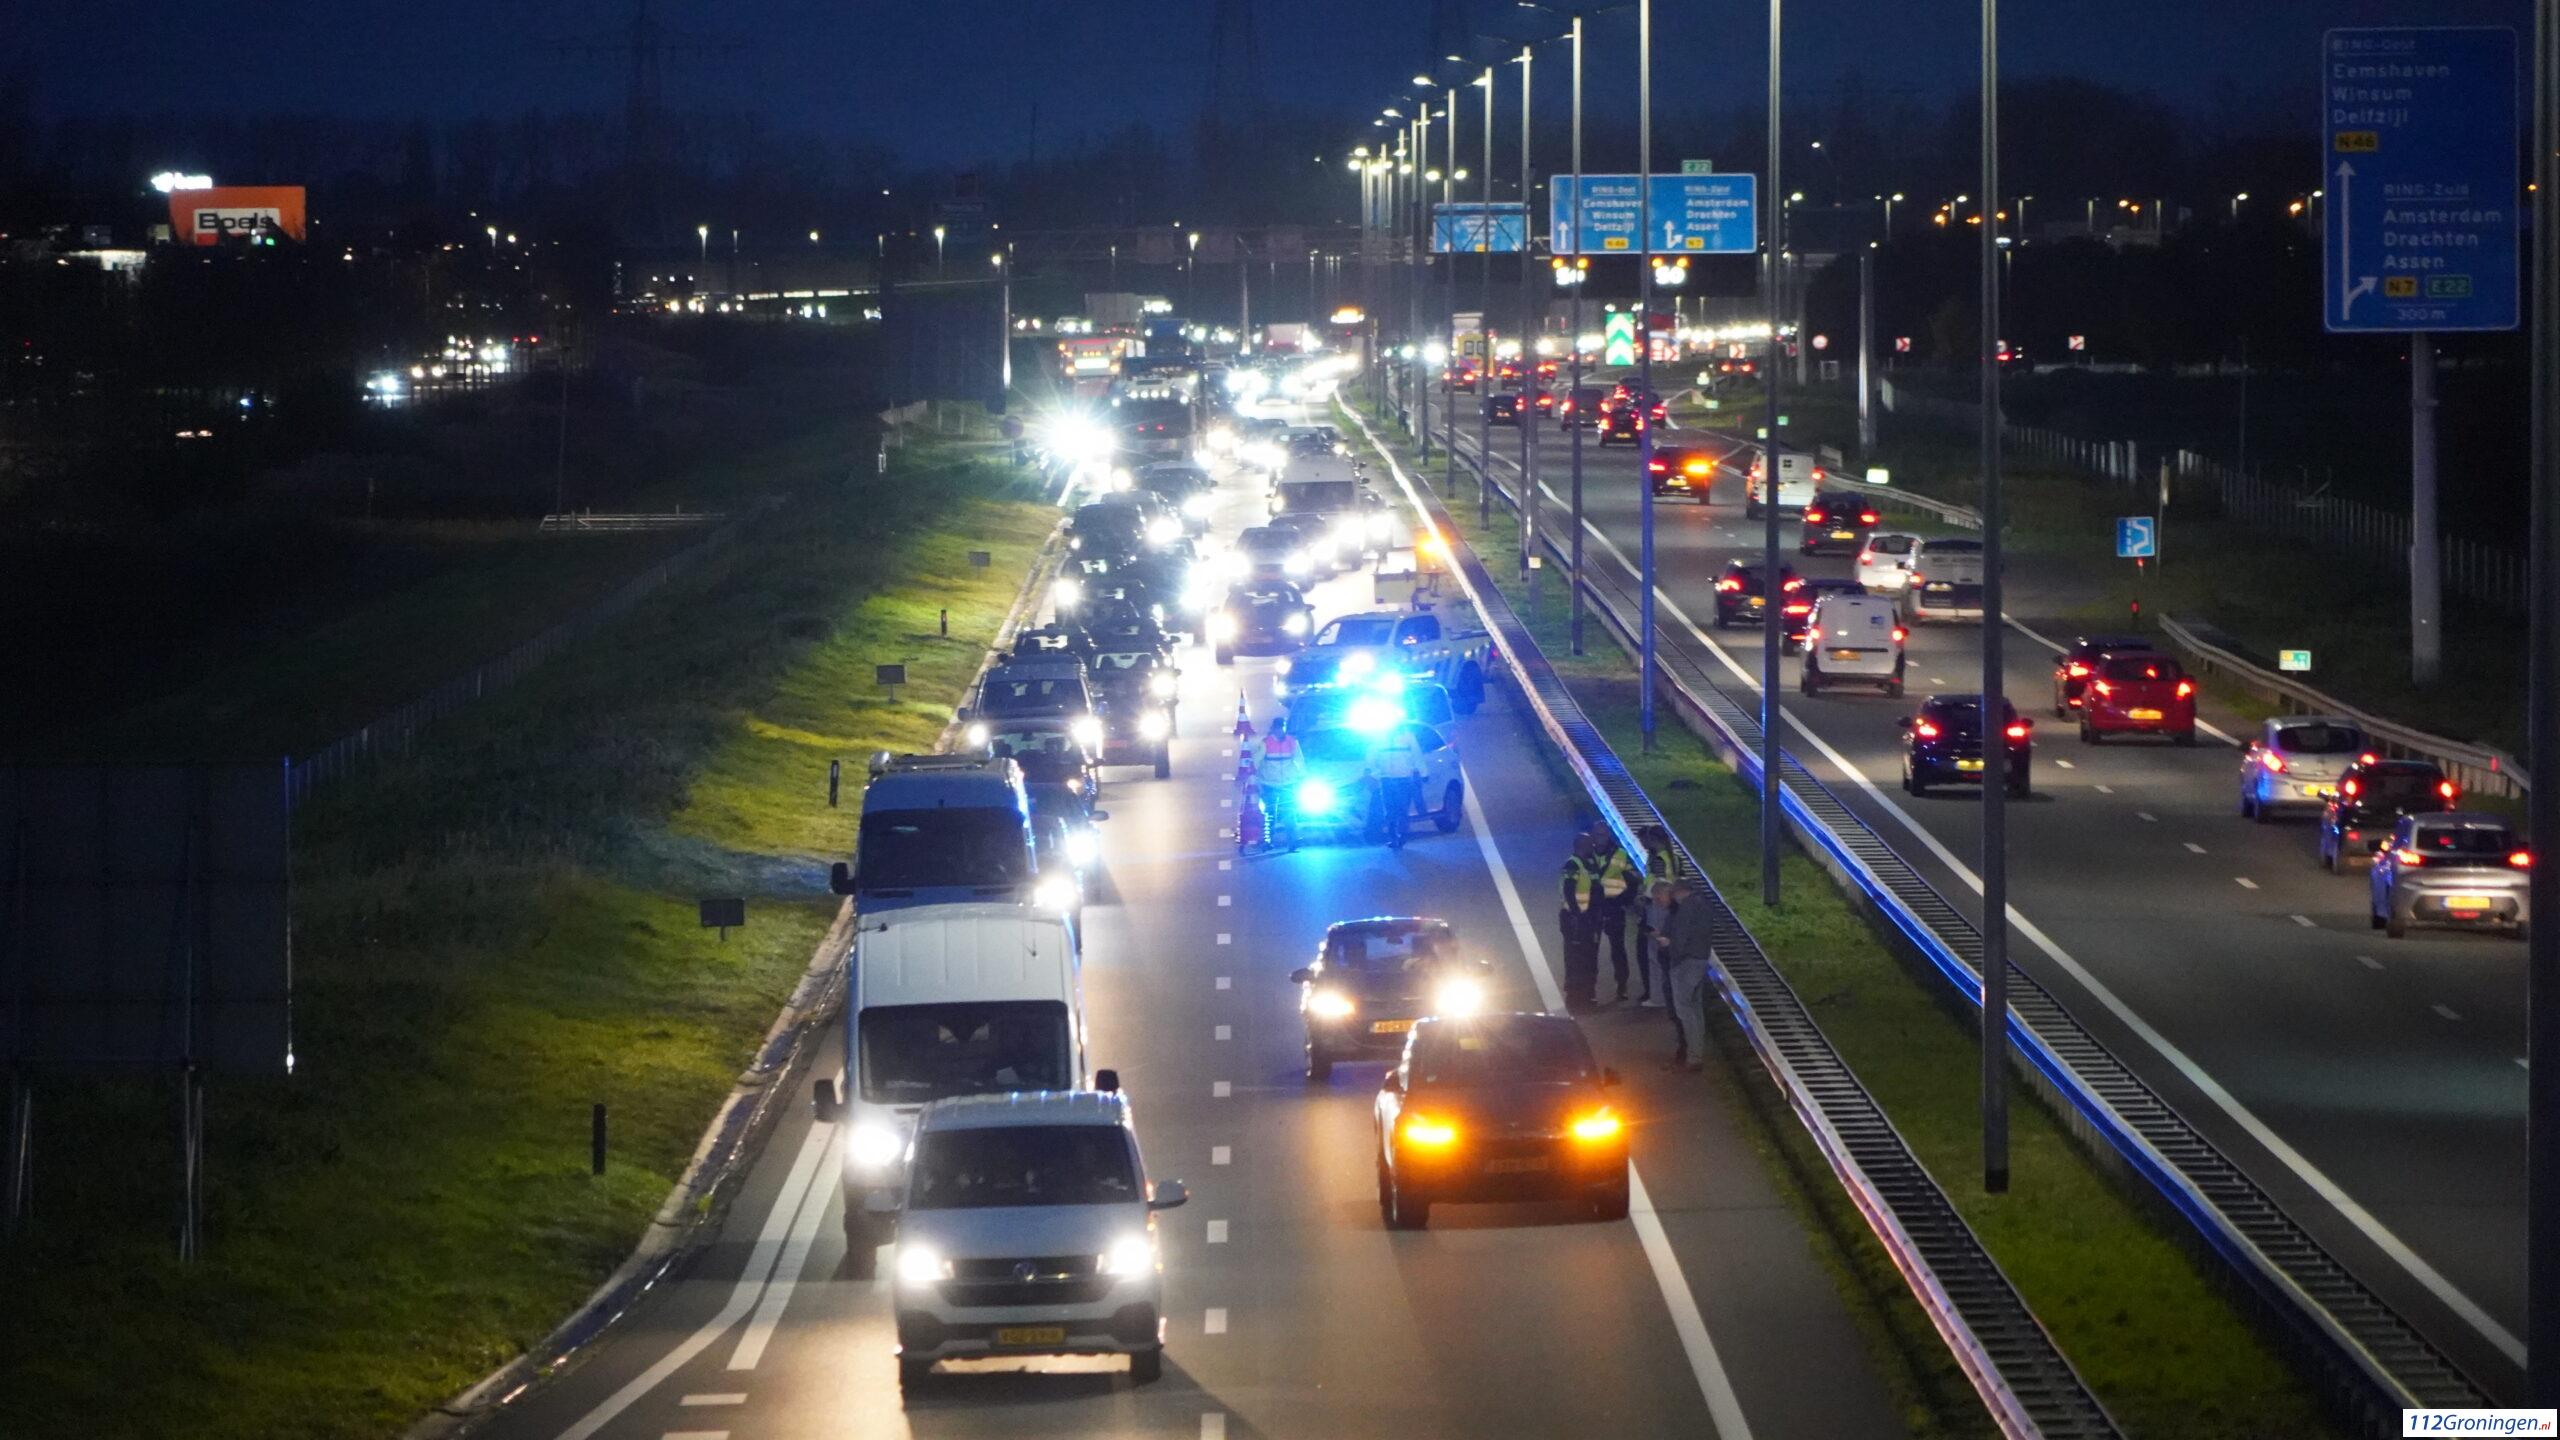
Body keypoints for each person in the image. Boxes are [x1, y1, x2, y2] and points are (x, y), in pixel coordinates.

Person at [1658, 872, 1713, 1072]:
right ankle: (1697, 1052)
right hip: (1700, 959)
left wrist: (1668, 947)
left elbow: (1680, 938)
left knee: (1684, 1010)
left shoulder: (1686, 908)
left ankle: (1693, 1057)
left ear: (1679, 892)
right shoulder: (1703, 905)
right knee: (1695, 1009)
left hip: (1686, 963)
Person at [1588, 822, 1640, 1003]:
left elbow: (1634, 879)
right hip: (1593, 908)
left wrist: (1625, 900)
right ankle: (1590, 989)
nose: (1600, 837)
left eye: (1603, 834)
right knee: (1590, 950)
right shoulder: (1587, 853)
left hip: (1613, 906)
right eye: (1597, 834)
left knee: (1618, 949)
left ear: (1608, 835)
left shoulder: (1620, 854)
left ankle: (1622, 986)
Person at [1558, 834, 1602, 1012]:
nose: (1592, 846)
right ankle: (1575, 997)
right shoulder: (1573, 865)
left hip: (1589, 917)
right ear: (1581, 846)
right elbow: (1569, 890)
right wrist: (1577, 913)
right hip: (1575, 919)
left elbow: (1597, 889)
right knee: (1575, 958)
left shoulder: (1590, 863)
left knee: (1589, 957)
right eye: (1589, 844)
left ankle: (1587, 993)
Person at [1635, 826, 1676, 1007]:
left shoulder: (1658, 859)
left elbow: (1658, 884)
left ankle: (1658, 997)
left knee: (1654, 954)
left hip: (1657, 907)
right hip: (1666, 905)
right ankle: (1664, 995)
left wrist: (1645, 895)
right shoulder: (1671, 857)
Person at [1369, 725, 1424, 848]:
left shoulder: (1408, 737)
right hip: (1386, 780)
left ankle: (1402, 836)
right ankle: (1393, 837)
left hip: (1404, 779)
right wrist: (1374, 773)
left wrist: (1423, 772)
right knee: (1389, 810)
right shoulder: (1378, 737)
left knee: (1402, 809)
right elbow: (1371, 757)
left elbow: (1417, 755)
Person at [1257, 716, 1303, 850]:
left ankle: (1292, 842)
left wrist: (1302, 777)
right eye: (1278, 728)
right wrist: (1251, 777)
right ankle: (1267, 841)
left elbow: (1299, 760)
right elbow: (1256, 761)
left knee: (1289, 812)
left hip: (1288, 783)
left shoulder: (1292, 742)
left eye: (1282, 728)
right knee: (1269, 814)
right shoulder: (1265, 743)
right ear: (1274, 729)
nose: (1280, 731)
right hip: (1269, 783)